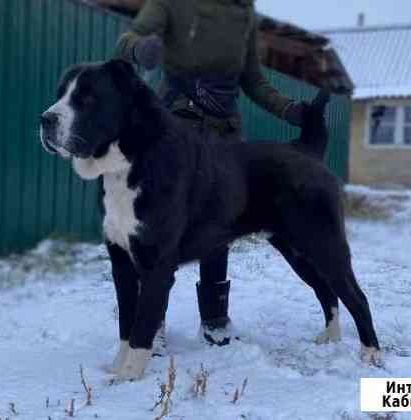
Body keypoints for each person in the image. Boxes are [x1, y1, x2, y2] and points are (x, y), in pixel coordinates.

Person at [113, 0, 310, 349]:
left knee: (219, 225)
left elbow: (252, 80)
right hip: (175, 129)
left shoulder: (243, 13)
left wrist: (288, 109)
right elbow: (127, 39)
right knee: (162, 227)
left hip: (224, 137)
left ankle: (215, 316)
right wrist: (139, 47)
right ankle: (152, 319)